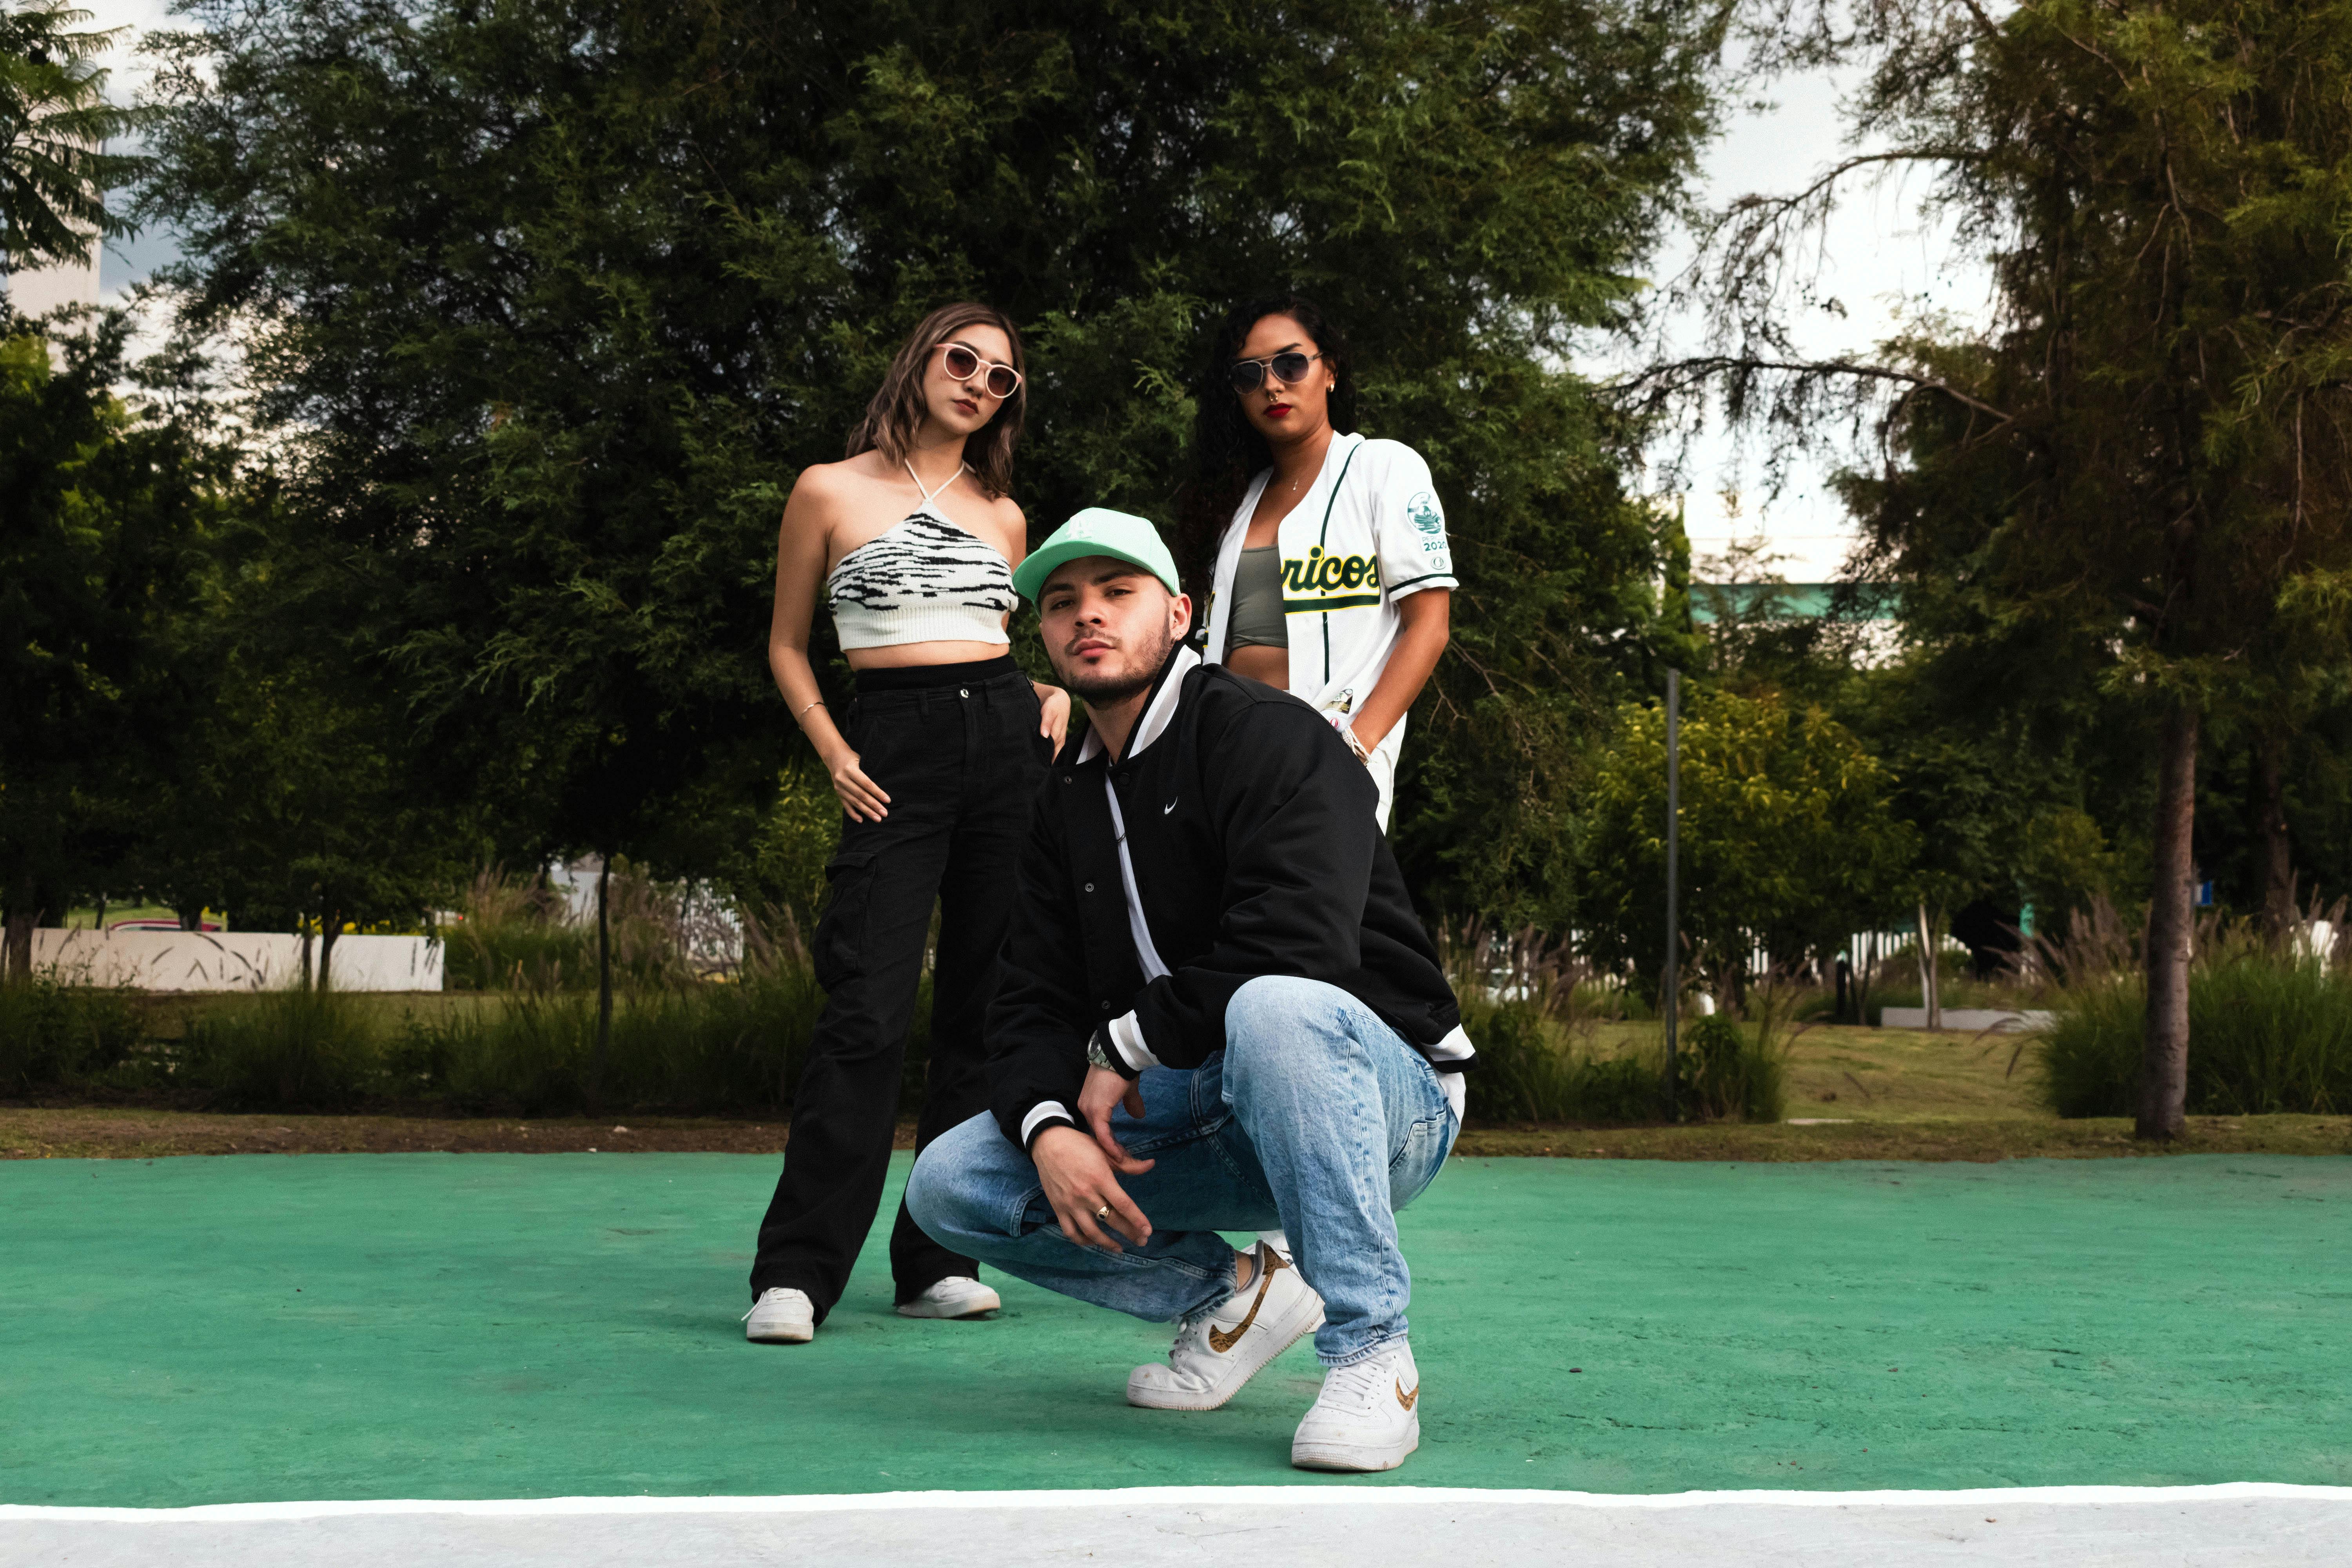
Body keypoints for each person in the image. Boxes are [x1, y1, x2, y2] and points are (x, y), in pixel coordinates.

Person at [903, 511, 1474, 1473]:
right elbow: (1028, 1001)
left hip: (1388, 1099)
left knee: (1275, 1005)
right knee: (953, 1182)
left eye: (1117, 593)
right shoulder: (1064, 799)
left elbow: (1303, 945)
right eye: (1062, 602)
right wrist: (1048, 1129)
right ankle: (1237, 1289)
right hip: (1211, 1104)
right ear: (1038, 634)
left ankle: (1374, 1347)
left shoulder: (1271, 736)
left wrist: (1125, 1043)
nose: (1089, 616)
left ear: (1178, 614)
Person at [744, 302, 1071, 1345]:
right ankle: (796, 1273)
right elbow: (789, 645)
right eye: (963, 359)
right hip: (891, 746)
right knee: (866, 1011)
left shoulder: (1005, 515)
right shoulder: (829, 490)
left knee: (983, 1012)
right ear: (921, 359)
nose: (978, 381)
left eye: (1001, 377)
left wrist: (1054, 694)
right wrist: (836, 752)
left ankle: (938, 1257)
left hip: (1007, 746)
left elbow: (1010, 642)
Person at [1178, 294, 1453, 832]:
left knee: (1311, 910)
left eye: (1290, 363)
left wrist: (1355, 748)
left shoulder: (1383, 468)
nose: (1272, 385)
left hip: (1328, 753)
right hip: (1224, 753)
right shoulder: (1235, 501)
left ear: (1329, 369)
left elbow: (1430, 626)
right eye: (1249, 374)